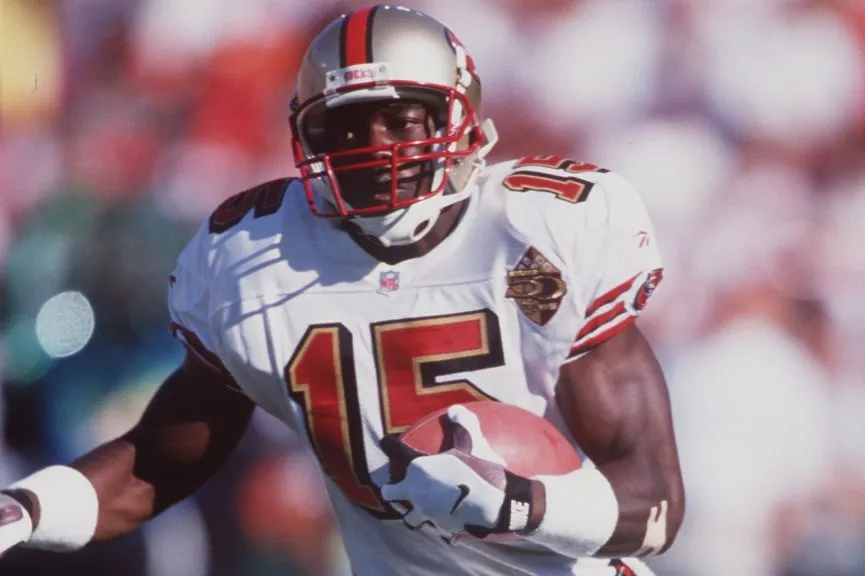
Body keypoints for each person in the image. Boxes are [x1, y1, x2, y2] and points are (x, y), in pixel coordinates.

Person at [0, 5, 684, 575]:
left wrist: (522, 505)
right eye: (345, 125)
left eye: (401, 118)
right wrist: (24, 509)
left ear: (461, 114)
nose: (373, 145)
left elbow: (654, 505)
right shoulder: (257, 257)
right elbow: (157, 461)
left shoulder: (545, 228)